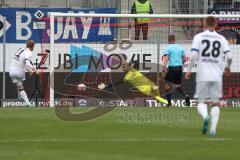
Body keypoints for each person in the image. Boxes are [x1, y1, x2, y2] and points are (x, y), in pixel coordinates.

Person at [185, 16, 232, 136]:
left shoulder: (198, 37)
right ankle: (213, 129)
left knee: (201, 101)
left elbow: (194, 56)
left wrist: (189, 70)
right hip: (217, 75)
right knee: (215, 103)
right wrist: (228, 67)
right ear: (216, 25)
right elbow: (230, 56)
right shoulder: (221, 38)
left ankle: (206, 116)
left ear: (204, 24)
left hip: (203, 74)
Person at [98, 59, 168, 105]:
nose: (123, 68)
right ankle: (168, 103)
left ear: (128, 66)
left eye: (124, 66)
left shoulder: (133, 69)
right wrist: (106, 86)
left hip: (149, 83)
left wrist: (130, 62)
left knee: (155, 89)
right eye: (122, 67)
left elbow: (137, 62)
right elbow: (116, 83)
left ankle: (161, 102)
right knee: (154, 95)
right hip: (143, 88)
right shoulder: (126, 78)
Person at [162, 34, 190, 107]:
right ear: (175, 40)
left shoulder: (167, 48)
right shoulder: (180, 48)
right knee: (177, 85)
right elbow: (184, 59)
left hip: (172, 68)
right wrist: (180, 63)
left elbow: (166, 59)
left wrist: (163, 69)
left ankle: (169, 103)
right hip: (179, 68)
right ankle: (186, 95)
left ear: (168, 40)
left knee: (167, 85)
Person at [9, 40, 39, 106]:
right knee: (21, 86)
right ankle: (26, 100)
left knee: (20, 87)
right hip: (19, 72)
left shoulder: (20, 50)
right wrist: (35, 70)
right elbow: (28, 64)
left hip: (11, 71)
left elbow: (21, 62)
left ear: (26, 45)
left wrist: (29, 70)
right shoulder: (29, 53)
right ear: (33, 46)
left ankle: (24, 100)